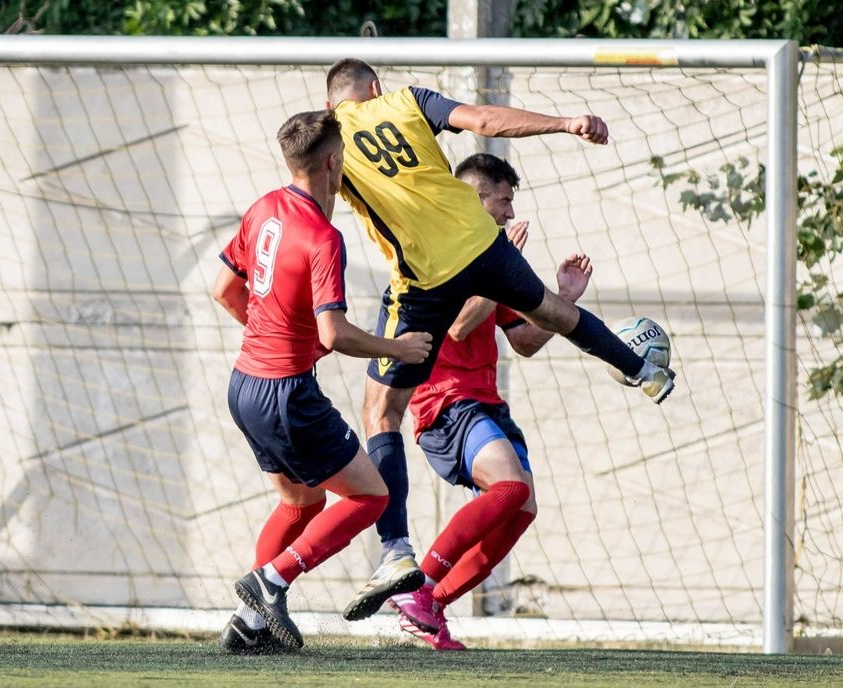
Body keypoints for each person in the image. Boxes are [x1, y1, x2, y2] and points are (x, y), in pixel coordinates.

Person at [325, 59, 676, 623]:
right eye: (504, 201)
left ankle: (399, 557)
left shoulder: (332, 141)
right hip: (466, 327)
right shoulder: (407, 101)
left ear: (330, 105)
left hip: (424, 278)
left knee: (381, 413)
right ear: (376, 89)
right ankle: (639, 368)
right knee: (554, 317)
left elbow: (315, 207)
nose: (511, 209)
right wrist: (565, 122)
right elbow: (485, 119)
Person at [211, 109, 432, 654]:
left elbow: (223, 289)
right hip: (287, 394)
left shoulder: (263, 208)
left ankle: (247, 622)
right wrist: (396, 347)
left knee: (301, 504)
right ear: (334, 162)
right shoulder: (323, 236)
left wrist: (274, 332)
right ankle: (271, 582)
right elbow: (333, 334)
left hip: (245, 386)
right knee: (372, 496)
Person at [386, 153, 592, 650]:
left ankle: (430, 606)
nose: (509, 212)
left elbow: (523, 341)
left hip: (485, 405)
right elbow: (456, 325)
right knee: (509, 488)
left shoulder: (493, 259)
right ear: (476, 200)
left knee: (522, 508)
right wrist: (500, 261)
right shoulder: (439, 251)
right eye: (503, 201)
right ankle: (418, 590)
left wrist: (566, 298)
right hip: (447, 403)